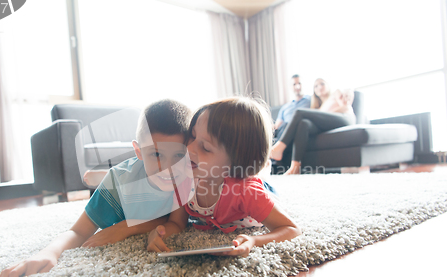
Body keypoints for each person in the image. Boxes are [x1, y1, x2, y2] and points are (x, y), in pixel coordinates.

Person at [0, 99, 193, 277]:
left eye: (178, 155)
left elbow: (176, 222)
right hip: (124, 184)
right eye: (156, 154)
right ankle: (100, 178)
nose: (168, 167)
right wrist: (49, 252)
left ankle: (98, 177)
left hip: (136, 210)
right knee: (114, 181)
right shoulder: (119, 182)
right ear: (139, 151)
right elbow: (78, 230)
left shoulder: (186, 175)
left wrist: (127, 227)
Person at [146, 97, 302, 257]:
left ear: (235, 162)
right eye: (192, 136)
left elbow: (291, 229)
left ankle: (265, 169)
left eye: (205, 148)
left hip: (255, 189)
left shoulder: (246, 191)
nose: (188, 148)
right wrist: (160, 233)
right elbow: (177, 223)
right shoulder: (185, 180)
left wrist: (254, 241)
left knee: (264, 183)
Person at [269, 78, 355, 175]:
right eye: (316, 86)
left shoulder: (336, 93)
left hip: (345, 118)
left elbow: (345, 106)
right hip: (328, 123)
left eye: (322, 84)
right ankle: (295, 167)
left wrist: (326, 114)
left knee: (299, 112)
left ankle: (279, 148)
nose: (319, 87)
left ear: (328, 85)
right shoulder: (320, 106)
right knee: (304, 124)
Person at [273, 74, 311, 141]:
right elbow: (277, 126)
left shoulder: (310, 100)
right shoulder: (285, 107)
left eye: (299, 83)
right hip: (284, 130)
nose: (297, 86)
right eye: (294, 84)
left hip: (299, 128)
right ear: (290, 87)